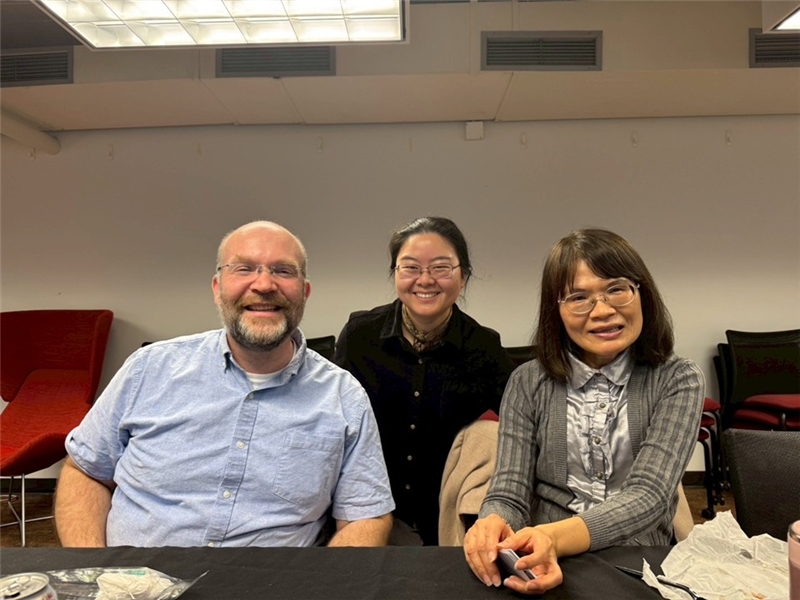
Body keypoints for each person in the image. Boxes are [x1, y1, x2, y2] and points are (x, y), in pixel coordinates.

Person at [55, 221, 395, 548]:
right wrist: (93, 574)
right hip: (135, 586)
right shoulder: (148, 370)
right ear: (217, 289)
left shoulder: (344, 397)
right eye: (244, 268)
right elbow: (86, 470)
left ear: (304, 293)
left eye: (283, 270)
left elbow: (366, 517)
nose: (263, 285)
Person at [463, 228, 704, 594]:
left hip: (641, 559)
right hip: (543, 558)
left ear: (643, 294)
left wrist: (554, 538)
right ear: (555, 311)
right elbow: (509, 490)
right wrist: (493, 521)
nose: (603, 311)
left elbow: (649, 496)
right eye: (578, 297)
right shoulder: (527, 382)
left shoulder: (678, 379)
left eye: (617, 289)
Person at [334, 216, 515, 545]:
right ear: (395, 275)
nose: (426, 280)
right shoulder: (360, 336)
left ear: (463, 277)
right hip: (368, 514)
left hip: (448, 523)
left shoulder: (485, 348)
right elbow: (335, 423)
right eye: (411, 267)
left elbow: (514, 435)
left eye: (442, 268)